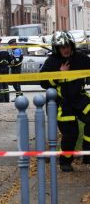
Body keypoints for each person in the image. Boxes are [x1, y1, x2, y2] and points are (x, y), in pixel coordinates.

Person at [40, 30, 90, 172]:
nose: (66, 49)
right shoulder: (52, 62)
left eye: (67, 46)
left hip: (79, 98)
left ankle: (88, 155)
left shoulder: (81, 58)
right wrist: (59, 75)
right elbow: (43, 82)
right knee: (71, 133)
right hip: (62, 103)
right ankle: (65, 161)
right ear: (57, 48)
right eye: (62, 47)